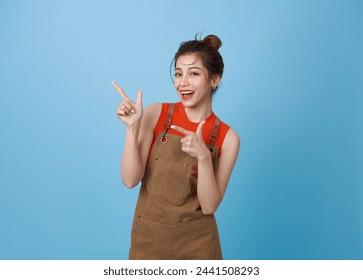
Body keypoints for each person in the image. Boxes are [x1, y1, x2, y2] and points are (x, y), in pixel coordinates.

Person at [112, 34, 240, 260]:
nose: (183, 82)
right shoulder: (154, 114)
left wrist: (203, 158)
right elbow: (130, 180)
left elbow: (209, 206)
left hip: (199, 249)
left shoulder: (227, 138)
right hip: (148, 243)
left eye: (193, 74)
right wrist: (132, 129)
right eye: (179, 74)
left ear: (214, 80)